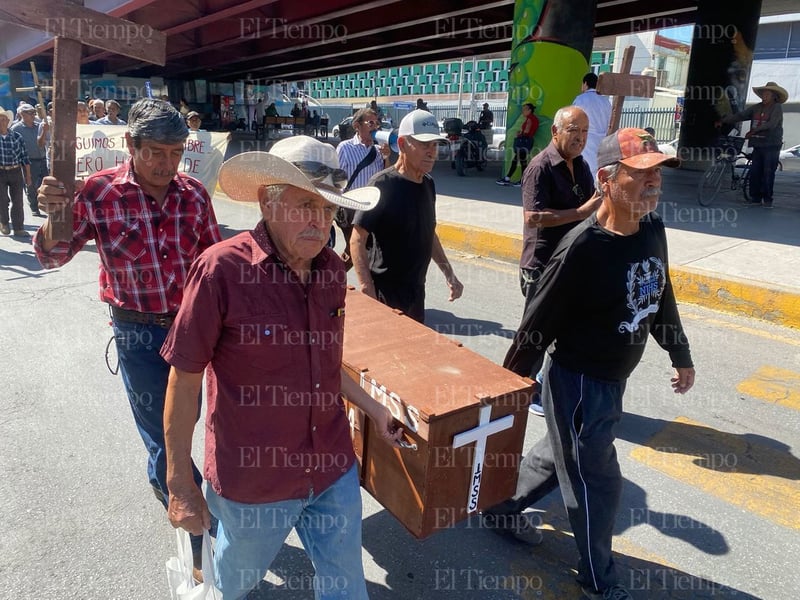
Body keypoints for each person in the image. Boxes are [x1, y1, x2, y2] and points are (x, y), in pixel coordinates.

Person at [161, 136, 404, 600]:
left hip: (331, 466)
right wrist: (179, 482)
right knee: (233, 583)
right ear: (268, 201)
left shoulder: (332, 270)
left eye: (329, 209)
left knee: (346, 586)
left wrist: (374, 408)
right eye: (305, 205)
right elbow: (185, 378)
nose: (320, 221)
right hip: (255, 481)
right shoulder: (220, 272)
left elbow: (326, 368)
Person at [482, 128, 695, 600]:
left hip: (613, 379)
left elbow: (660, 294)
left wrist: (679, 352)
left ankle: (498, 509)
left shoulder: (652, 229)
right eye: (642, 174)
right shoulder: (579, 249)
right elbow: (535, 325)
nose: (654, 183)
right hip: (578, 381)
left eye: (658, 173)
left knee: (552, 456)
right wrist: (509, 389)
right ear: (606, 179)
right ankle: (599, 578)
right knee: (597, 479)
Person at [33, 97, 221, 577]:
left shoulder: (195, 194)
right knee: (164, 435)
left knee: (185, 421)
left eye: (175, 152)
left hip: (189, 329)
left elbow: (214, 264)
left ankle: (162, 480)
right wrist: (54, 217)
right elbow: (53, 258)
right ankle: (202, 533)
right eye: (155, 151)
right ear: (132, 145)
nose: (166, 163)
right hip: (136, 333)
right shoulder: (98, 192)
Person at [518, 105, 598, 416]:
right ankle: (522, 388)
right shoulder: (540, 167)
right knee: (535, 334)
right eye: (573, 130)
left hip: (571, 263)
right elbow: (533, 216)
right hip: (541, 266)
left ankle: (551, 385)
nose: (580, 138)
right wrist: (580, 213)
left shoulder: (581, 165)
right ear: (556, 132)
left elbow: (592, 204)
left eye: (584, 132)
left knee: (567, 329)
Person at [350, 109, 463, 323]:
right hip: (384, 294)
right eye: (424, 145)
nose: (432, 152)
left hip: (416, 293)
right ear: (402, 144)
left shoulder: (428, 184)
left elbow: (429, 233)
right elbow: (357, 239)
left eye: (435, 145)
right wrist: (367, 290)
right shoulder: (382, 184)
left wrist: (449, 273)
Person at [335, 107, 391, 266]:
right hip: (350, 207)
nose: (375, 127)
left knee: (362, 250)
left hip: (370, 207)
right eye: (370, 123)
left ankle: (331, 281)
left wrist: (387, 157)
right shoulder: (345, 148)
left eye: (377, 123)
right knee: (356, 250)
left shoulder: (377, 151)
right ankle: (329, 283)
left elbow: (385, 176)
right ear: (357, 126)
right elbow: (335, 177)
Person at [719, 81, 787, 208]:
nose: (765, 96)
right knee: (755, 172)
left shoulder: (776, 108)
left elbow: (771, 124)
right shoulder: (756, 107)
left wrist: (754, 130)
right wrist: (723, 120)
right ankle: (755, 198)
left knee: (768, 173)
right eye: (764, 93)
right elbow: (741, 115)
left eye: (768, 94)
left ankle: (767, 199)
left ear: (774, 96)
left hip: (771, 145)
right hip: (758, 144)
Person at [0, 106, 32, 237]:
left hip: (15, 171)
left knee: (18, 200)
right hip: (0, 171)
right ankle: (4, 223)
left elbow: (24, 157)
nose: (2, 122)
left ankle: (18, 227)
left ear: (8, 121)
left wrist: (28, 176)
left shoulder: (17, 136)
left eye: (4, 119)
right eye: (0, 119)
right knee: (2, 200)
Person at [11, 102, 47, 218]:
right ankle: (34, 207)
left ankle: (43, 204)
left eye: (33, 113)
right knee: (30, 184)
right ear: (22, 114)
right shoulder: (16, 129)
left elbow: (43, 142)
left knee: (43, 183)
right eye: (29, 113)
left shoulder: (40, 126)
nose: (32, 115)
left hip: (42, 158)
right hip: (28, 161)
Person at [572, 72, 612, 176]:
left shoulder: (581, 99)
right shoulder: (606, 101)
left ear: (585, 83)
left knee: (585, 171)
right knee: (599, 171)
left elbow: (573, 120)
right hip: (603, 140)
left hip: (586, 140)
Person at [497, 102, 539, 186]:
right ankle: (516, 179)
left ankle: (513, 179)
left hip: (524, 141)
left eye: (524, 109)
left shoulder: (530, 119)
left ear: (529, 110)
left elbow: (527, 131)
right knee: (521, 161)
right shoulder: (532, 118)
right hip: (527, 141)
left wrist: (519, 133)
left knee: (517, 161)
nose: (522, 111)